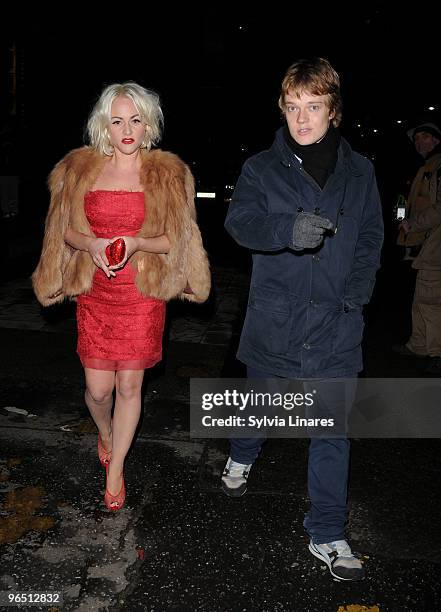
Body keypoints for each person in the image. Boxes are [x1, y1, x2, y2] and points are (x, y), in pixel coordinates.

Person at [222, 58, 383, 581]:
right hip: (276, 318)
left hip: (336, 326)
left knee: (331, 430)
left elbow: (370, 238)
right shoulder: (260, 169)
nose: (302, 119)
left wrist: (355, 295)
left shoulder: (361, 172)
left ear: (333, 111)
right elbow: (239, 222)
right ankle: (243, 454)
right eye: (292, 108)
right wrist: (286, 228)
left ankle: (329, 533)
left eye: (313, 107)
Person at [32, 82, 210, 511]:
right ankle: (106, 433)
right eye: (117, 120)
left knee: (130, 384)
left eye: (135, 119)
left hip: (142, 294)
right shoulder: (78, 169)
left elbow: (179, 241)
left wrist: (135, 243)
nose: (127, 128)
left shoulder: (169, 174)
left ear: (148, 124)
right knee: (97, 391)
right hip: (96, 292)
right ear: (103, 127)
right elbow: (62, 231)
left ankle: (116, 470)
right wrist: (91, 244)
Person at [393, 123, 441, 372]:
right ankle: (419, 344)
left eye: (424, 137)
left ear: (435, 141)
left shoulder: (438, 167)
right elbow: (406, 202)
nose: (419, 142)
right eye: (416, 139)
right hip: (423, 244)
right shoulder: (424, 168)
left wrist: (413, 223)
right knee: (422, 297)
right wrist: (402, 219)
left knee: (432, 300)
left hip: (436, 244)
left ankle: (437, 351)